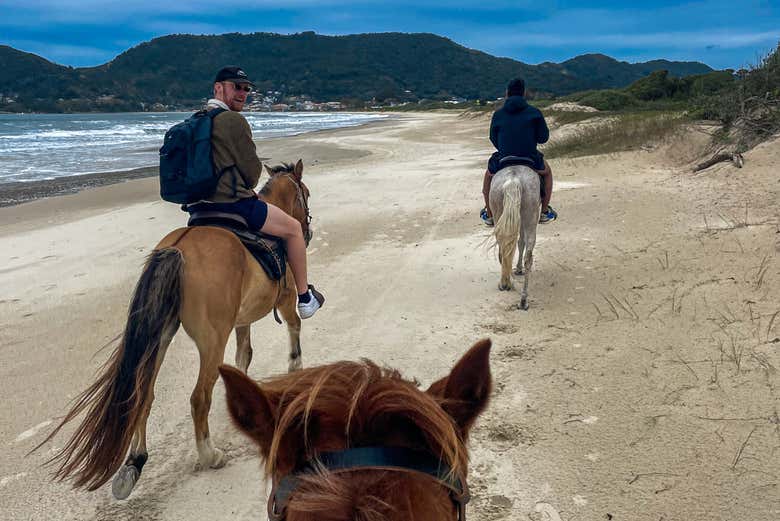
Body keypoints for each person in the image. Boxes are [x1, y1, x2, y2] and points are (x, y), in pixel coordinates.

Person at [187, 66, 323, 319]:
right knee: (293, 228)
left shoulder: (195, 120)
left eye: (246, 88)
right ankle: (305, 299)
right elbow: (251, 175)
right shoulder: (233, 120)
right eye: (235, 86)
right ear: (218, 88)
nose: (242, 93)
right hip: (233, 205)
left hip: (197, 209)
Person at [480, 78, 557, 226]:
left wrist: (504, 148)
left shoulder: (498, 114)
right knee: (547, 173)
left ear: (507, 93)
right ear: (524, 93)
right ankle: (545, 211)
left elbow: (493, 138)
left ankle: (489, 214)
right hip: (530, 158)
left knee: (489, 176)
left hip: (504, 157)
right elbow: (543, 138)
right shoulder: (535, 112)